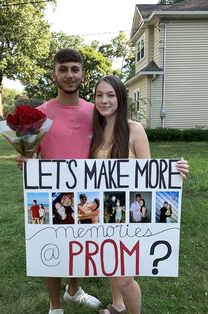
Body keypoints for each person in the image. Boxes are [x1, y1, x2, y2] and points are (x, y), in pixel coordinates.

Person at [89, 75, 189, 314]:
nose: (104, 100)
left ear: (121, 98)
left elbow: (150, 174)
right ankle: (117, 306)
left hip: (130, 216)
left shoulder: (134, 130)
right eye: (99, 95)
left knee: (124, 278)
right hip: (105, 211)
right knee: (110, 264)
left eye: (110, 95)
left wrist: (173, 172)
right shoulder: (96, 131)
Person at [15, 48, 101, 314]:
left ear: (83, 75)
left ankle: (73, 290)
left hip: (87, 194)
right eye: (63, 69)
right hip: (50, 194)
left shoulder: (96, 111)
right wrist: (24, 160)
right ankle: (55, 306)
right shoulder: (39, 115)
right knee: (50, 248)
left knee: (79, 246)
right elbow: (29, 156)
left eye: (75, 69)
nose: (69, 75)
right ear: (54, 75)